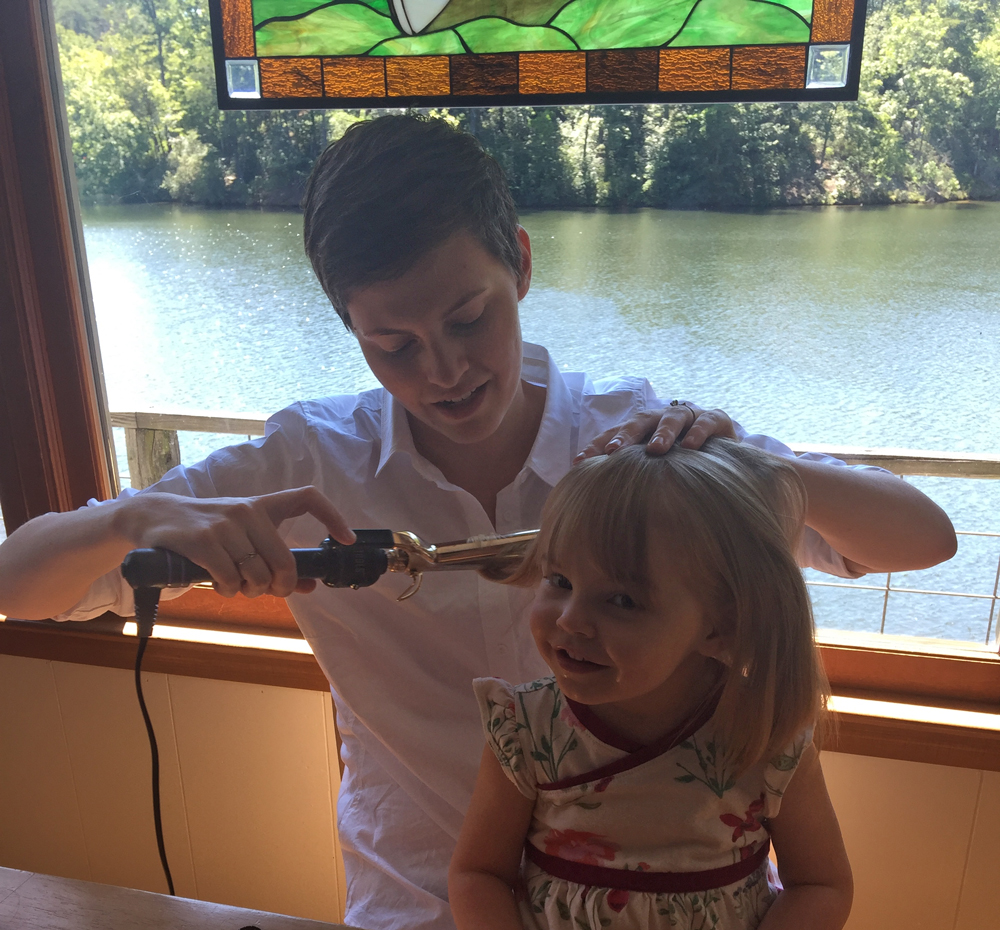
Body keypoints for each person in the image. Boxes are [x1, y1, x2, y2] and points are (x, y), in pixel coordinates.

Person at [0, 116, 953, 930]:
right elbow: (18, 587)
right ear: (350, 326)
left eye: (468, 319)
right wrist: (139, 512)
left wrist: (757, 467)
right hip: (422, 899)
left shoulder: (631, 450)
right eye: (394, 345)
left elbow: (923, 539)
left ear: (522, 266)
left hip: (668, 899)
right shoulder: (306, 462)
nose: (443, 372)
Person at [449, 439, 853, 930]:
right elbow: (478, 874)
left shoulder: (766, 730)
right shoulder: (527, 730)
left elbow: (820, 885)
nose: (572, 620)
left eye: (621, 600)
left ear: (719, 625)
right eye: (559, 580)